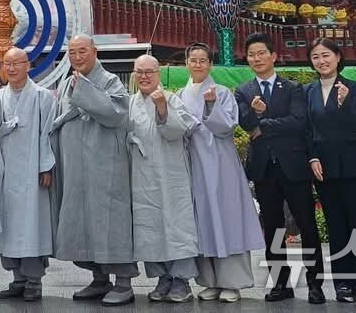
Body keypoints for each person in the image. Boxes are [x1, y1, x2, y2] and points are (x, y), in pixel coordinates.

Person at [235, 33, 325, 304]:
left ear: (273, 56)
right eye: (251, 54)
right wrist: (258, 117)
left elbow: (298, 121)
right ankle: (280, 283)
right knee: (272, 229)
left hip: (294, 166)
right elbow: (245, 124)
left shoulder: (293, 88)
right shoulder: (244, 91)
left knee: (307, 225)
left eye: (261, 53)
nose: (256, 58)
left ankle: (315, 284)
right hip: (264, 170)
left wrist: (264, 124)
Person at [51, 35, 137, 307]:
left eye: (82, 51)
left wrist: (85, 92)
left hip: (105, 164)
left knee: (112, 220)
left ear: (94, 52)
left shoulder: (110, 80)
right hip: (77, 165)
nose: (77, 57)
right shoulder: (67, 83)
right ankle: (99, 278)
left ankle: (124, 282)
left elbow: (117, 114)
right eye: (72, 52)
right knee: (82, 220)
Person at [180, 43, 263, 303]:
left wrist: (210, 106)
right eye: (193, 60)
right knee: (202, 221)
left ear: (210, 64)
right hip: (194, 164)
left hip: (221, 164)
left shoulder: (223, 92)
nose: (197, 65)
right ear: (187, 63)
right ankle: (209, 281)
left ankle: (233, 282)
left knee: (226, 220)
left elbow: (227, 127)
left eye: (203, 60)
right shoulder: (181, 94)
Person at [0, 48, 56, 303]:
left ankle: (34, 280)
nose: (11, 68)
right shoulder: (0, 94)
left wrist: (46, 166)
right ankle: (18, 278)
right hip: (5, 169)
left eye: (16, 63)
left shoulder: (43, 97)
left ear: (28, 65)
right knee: (9, 223)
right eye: (6, 64)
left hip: (31, 169)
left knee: (32, 223)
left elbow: (48, 134)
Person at [305, 39, 356, 303]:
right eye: (315, 57)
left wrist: (345, 103)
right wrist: (312, 157)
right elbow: (308, 130)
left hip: (353, 166)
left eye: (326, 55)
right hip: (323, 168)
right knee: (336, 227)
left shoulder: (354, 87)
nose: (321, 61)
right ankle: (344, 283)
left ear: (337, 57)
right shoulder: (309, 91)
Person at [128, 55, 199, 303]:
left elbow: (179, 131)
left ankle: (182, 280)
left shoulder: (171, 98)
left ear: (158, 73)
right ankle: (162, 277)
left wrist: (162, 108)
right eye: (140, 72)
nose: (144, 76)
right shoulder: (130, 103)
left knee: (176, 225)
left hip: (171, 176)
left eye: (149, 71)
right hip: (142, 177)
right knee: (149, 227)